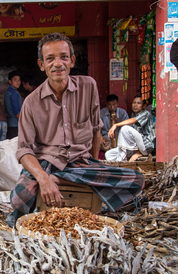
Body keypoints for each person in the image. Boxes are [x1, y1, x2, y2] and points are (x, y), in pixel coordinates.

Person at [8, 33, 144, 226]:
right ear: (41, 65)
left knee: (136, 180)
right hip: (47, 164)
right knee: (18, 197)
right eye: (50, 59)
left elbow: (97, 130)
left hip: (81, 164)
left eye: (63, 57)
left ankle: (61, 180)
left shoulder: (88, 86)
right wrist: (43, 179)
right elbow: (24, 151)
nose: (58, 64)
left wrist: (92, 163)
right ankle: (57, 179)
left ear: (72, 60)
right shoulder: (31, 102)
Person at [105, 95, 155, 162]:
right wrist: (117, 121)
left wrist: (116, 125)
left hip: (146, 146)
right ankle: (132, 154)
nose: (135, 105)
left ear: (144, 106)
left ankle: (121, 160)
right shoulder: (133, 115)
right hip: (137, 147)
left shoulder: (146, 114)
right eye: (134, 103)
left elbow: (134, 120)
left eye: (138, 103)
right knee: (109, 154)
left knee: (125, 128)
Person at [4, 70, 22, 139]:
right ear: (10, 81)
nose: (18, 82)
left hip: (10, 123)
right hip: (15, 124)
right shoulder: (13, 93)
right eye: (15, 80)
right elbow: (17, 111)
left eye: (19, 80)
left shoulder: (8, 92)